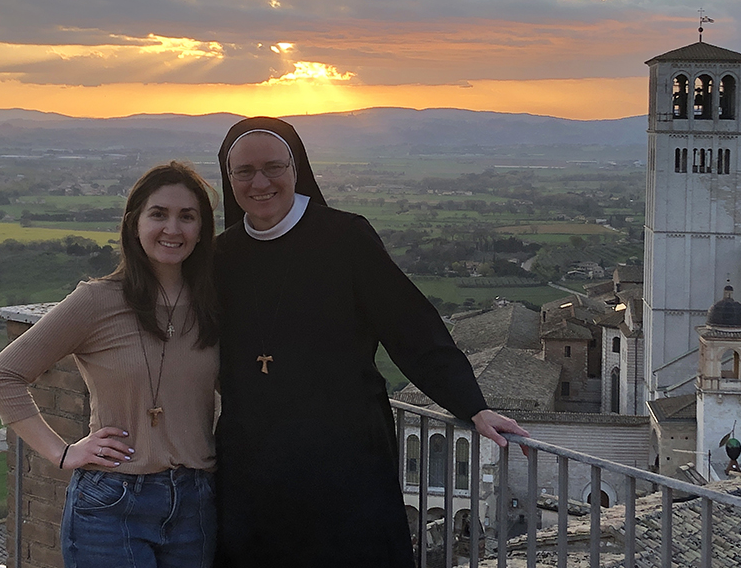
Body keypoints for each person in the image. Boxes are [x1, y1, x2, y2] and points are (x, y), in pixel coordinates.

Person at [213, 117, 528, 568]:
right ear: (229, 179)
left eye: (273, 167)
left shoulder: (345, 236)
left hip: (345, 451)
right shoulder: (222, 256)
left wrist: (470, 405)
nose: (260, 182)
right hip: (253, 456)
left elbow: (409, 324)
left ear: (295, 168)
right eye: (244, 171)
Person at [0, 161, 220, 568]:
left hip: (197, 503)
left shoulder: (212, 304)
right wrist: (61, 452)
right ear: (134, 224)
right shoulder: (96, 301)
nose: (173, 229)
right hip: (113, 504)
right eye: (158, 214)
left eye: (187, 216)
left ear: (202, 229)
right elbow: (0, 377)